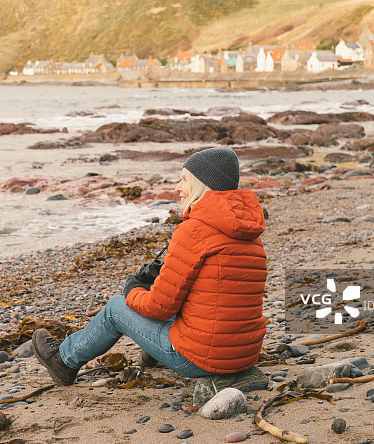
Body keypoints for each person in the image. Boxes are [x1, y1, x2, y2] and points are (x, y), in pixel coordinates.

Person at [32, 147, 268, 398]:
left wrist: (132, 290)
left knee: (115, 308)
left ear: (202, 185)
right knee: (182, 300)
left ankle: (64, 360)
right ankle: (151, 355)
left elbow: (160, 308)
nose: (177, 187)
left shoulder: (193, 231)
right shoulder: (250, 235)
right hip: (244, 355)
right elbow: (214, 296)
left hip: (199, 360)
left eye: (184, 179)